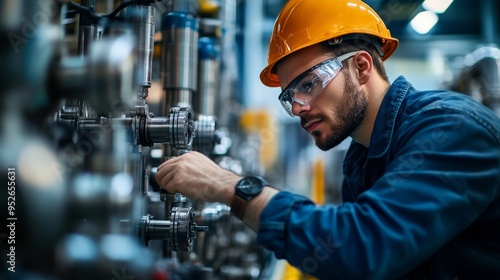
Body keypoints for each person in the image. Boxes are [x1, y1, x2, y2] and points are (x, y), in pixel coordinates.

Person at [156, 0, 500, 278]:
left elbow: (362, 248)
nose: (297, 109)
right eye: (289, 96)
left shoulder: (450, 128)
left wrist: (232, 187)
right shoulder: (363, 156)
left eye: (308, 84)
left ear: (362, 67)